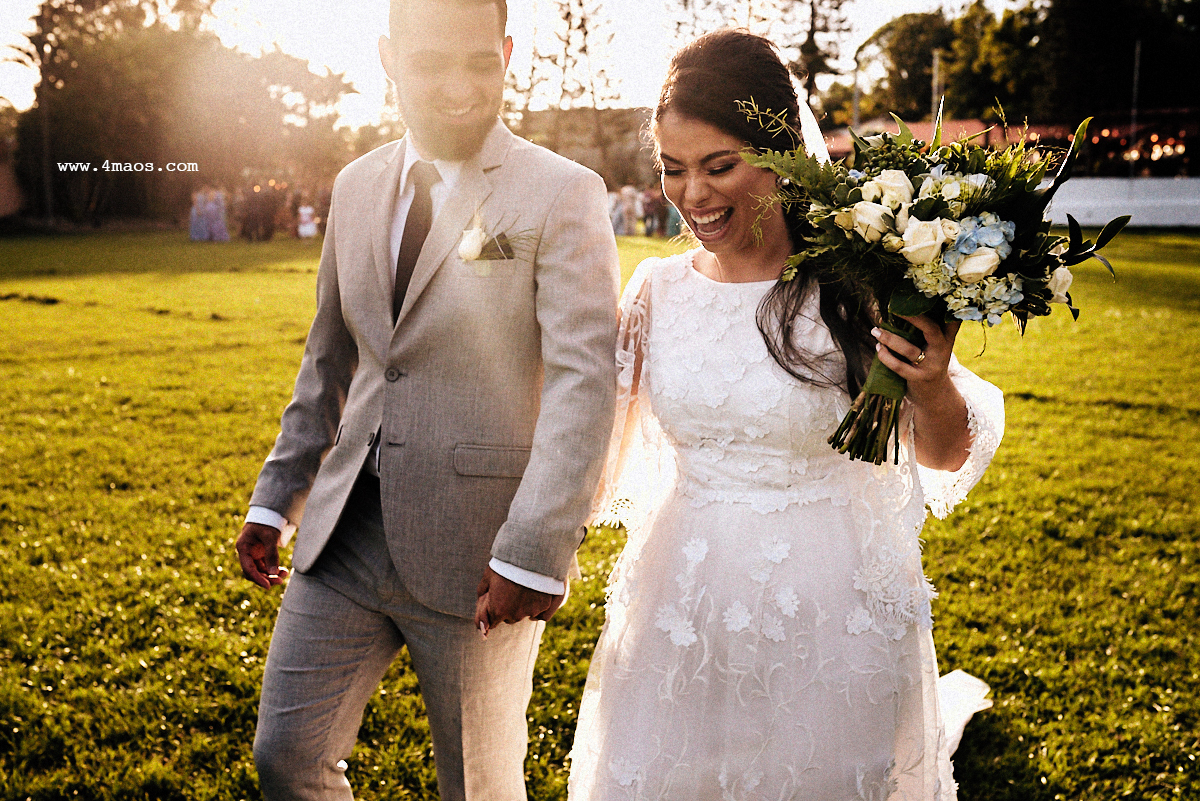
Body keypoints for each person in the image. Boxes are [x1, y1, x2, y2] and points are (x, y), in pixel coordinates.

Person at [567, 30, 1003, 801]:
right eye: (673, 170)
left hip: (835, 606)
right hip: (683, 603)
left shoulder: (856, 285)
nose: (693, 195)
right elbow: (587, 456)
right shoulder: (655, 294)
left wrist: (931, 382)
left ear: (783, 151)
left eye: (719, 166)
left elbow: (941, 454)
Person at [234, 0, 620, 798]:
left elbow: (586, 383)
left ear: (508, 52)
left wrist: (536, 548)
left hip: (480, 553)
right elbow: (328, 355)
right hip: (343, 536)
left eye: (481, 62)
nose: (460, 86)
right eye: (432, 62)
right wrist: (276, 499)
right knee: (285, 756)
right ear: (388, 57)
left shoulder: (562, 193)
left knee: (477, 786)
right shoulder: (355, 183)